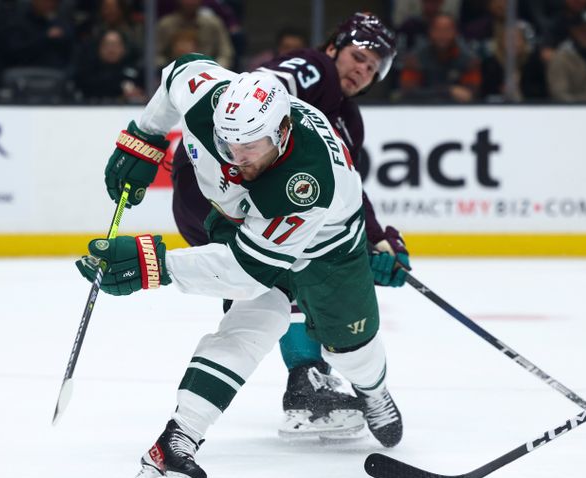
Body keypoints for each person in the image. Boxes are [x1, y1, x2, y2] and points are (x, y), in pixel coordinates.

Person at [75, 53, 404, 478]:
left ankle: (374, 389)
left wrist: (153, 264)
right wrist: (144, 138)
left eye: (250, 147)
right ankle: (178, 440)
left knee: (348, 347)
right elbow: (177, 73)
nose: (236, 158)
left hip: (327, 247)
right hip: (242, 221)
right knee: (256, 317)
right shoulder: (208, 97)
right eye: (228, 144)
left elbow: (247, 271)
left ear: (282, 132)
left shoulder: (305, 182)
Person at [169, 13, 408, 441]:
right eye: (358, 56)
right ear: (334, 47)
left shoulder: (347, 119)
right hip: (219, 190)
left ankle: (308, 384)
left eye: (372, 67)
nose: (362, 70)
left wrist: (374, 237)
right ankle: (306, 384)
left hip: (245, 196)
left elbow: (340, 183)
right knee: (275, 280)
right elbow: (257, 94)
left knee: (272, 287)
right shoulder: (314, 70)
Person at [397, 13, 482, 102]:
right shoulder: (414, 59)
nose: (442, 35)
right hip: (422, 110)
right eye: (438, 30)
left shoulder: (470, 61)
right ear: (430, 32)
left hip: (457, 111)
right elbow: (408, 93)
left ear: (456, 33)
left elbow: (470, 94)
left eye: (447, 30)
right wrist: (448, 91)